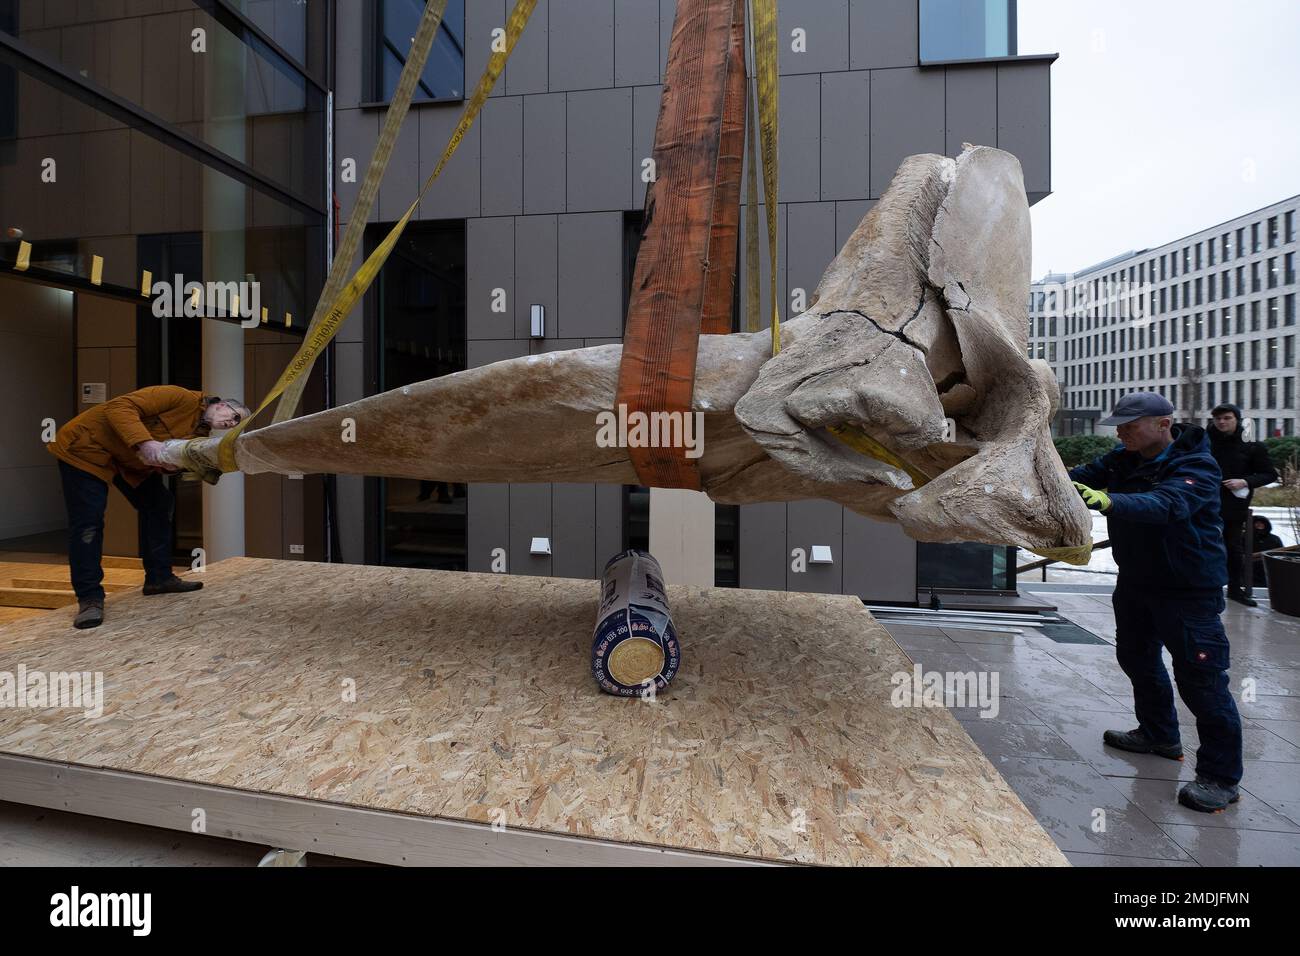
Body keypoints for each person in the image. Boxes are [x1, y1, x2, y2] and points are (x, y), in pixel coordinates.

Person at [1070, 391, 1243, 813]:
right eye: (1120, 426)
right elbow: (1076, 476)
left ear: (1163, 424)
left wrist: (1108, 501)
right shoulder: (1121, 458)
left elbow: (1167, 504)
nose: (1123, 432)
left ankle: (1221, 778)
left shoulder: (1195, 464)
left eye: (1131, 425)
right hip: (1136, 582)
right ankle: (1159, 734)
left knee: (1202, 682)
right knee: (1137, 658)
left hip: (1186, 589)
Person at [46, 386, 249, 630]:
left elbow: (165, 459)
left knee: (159, 504)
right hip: (86, 449)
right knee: (88, 523)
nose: (232, 423)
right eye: (235, 416)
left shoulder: (200, 434)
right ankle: (90, 598)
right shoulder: (180, 396)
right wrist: (145, 443)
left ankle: (159, 578)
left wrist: (171, 466)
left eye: (238, 424)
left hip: (127, 461)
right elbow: (118, 407)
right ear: (221, 405)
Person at [1208, 402, 1279, 606]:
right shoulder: (1204, 441)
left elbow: (1269, 474)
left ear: (1236, 419)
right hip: (1203, 502)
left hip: (1233, 505)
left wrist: (1245, 481)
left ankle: (1234, 589)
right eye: (1218, 418)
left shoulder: (1251, 445)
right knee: (1201, 544)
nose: (1222, 422)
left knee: (1232, 547)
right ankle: (1201, 587)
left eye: (1227, 418)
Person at [1251, 515, 1285, 588]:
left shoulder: (1274, 539)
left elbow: (1282, 554)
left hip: (1268, 571)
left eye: (1261, 523)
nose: (1259, 525)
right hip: (1249, 573)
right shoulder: (1245, 537)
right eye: (1257, 523)